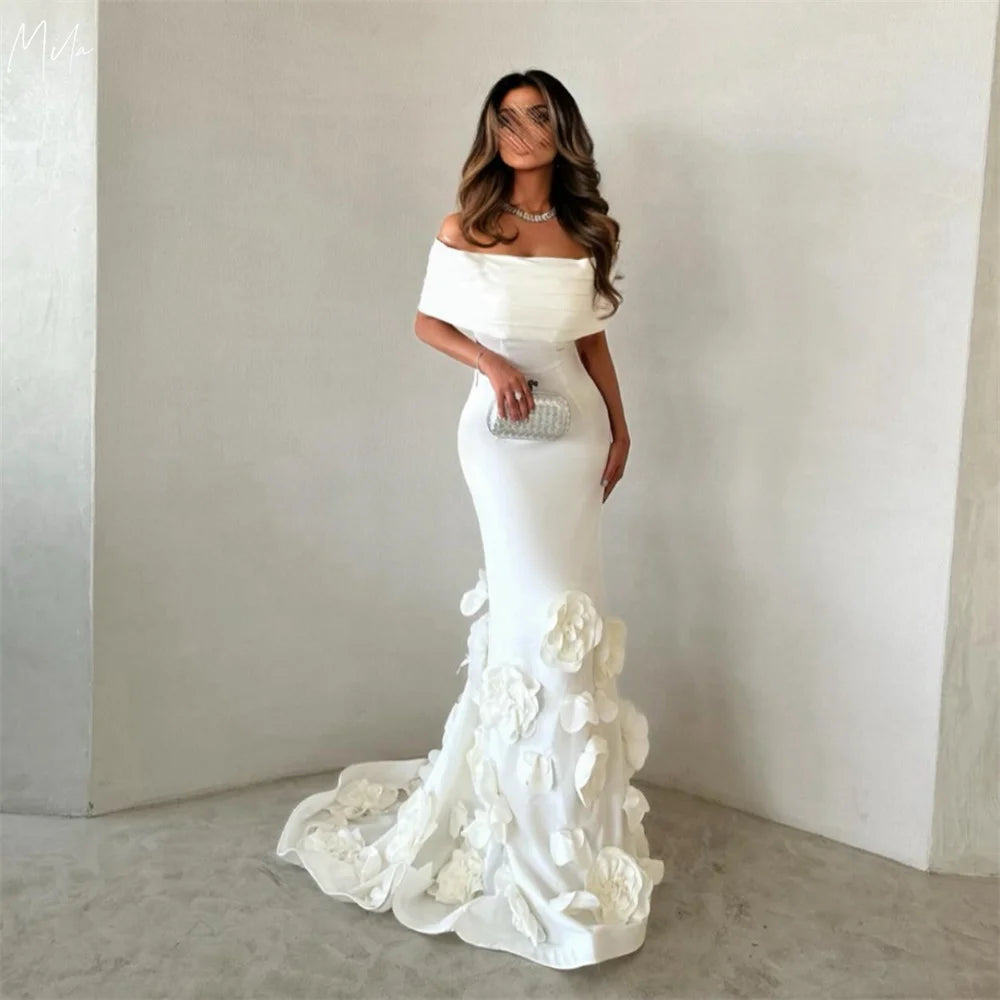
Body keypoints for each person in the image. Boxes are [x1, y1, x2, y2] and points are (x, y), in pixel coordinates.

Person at [276, 69, 664, 970]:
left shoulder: (584, 230)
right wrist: (489, 364)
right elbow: (425, 322)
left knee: (569, 612)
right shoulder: (467, 225)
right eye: (507, 117)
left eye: (537, 117)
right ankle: (516, 827)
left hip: (574, 433)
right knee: (532, 612)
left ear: (561, 131)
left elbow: (591, 337)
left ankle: (569, 823)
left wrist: (622, 422)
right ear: (490, 131)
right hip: (499, 435)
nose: (521, 131)